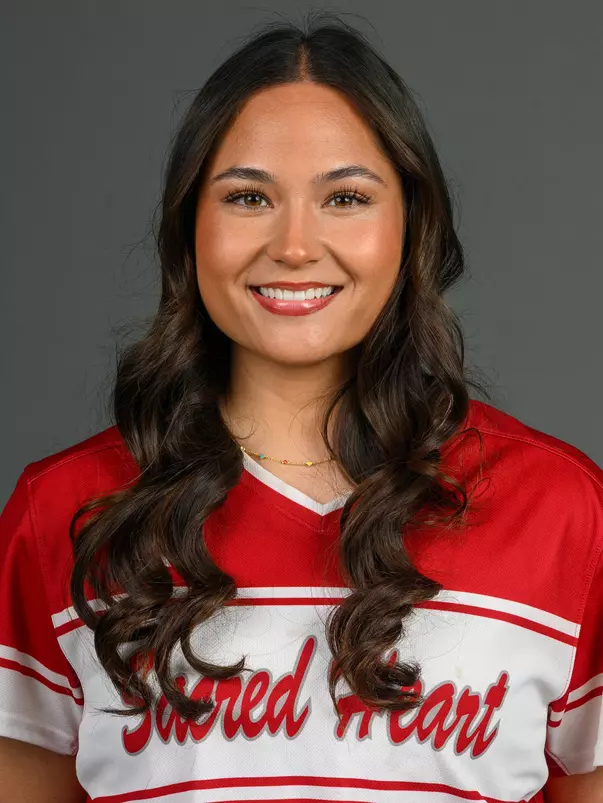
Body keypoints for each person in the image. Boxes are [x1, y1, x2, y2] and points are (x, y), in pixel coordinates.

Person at [0, 11, 602, 803]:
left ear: (410, 225)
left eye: (345, 197)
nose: (293, 244)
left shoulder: (562, 510)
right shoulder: (65, 514)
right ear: (190, 228)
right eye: (248, 197)